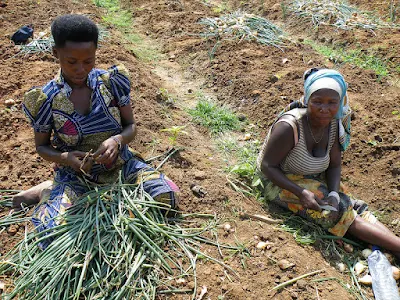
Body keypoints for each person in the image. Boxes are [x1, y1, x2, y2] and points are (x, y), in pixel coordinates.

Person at [15, 14, 179, 249]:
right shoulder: (46, 99)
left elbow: (131, 127)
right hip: (76, 176)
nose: (81, 69)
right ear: (55, 53)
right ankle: (47, 190)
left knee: (168, 196)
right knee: (49, 232)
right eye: (71, 62)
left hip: (121, 166)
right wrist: (66, 158)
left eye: (88, 61)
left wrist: (117, 140)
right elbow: (41, 147)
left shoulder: (111, 82)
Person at [257, 68, 400, 257]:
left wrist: (333, 192)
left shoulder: (332, 124)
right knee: (339, 212)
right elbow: (267, 166)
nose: (324, 109)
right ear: (307, 100)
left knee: (353, 205)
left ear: (339, 103)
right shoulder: (289, 126)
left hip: (311, 178)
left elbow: (334, 165)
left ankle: (394, 246)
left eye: (332, 103)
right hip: (278, 181)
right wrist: (301, 193)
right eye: (317, 102)